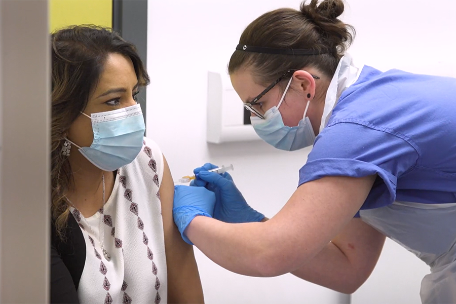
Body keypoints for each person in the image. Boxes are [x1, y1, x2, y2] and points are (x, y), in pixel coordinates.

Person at [172, 0, 456, 303]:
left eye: (258, 105)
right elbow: (347, 269)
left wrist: (190, 219)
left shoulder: (357, 131)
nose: (257, 119)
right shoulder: (371, 100)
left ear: (303, 84)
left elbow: (269, 255)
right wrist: (249, 222)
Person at [50, 25, 210, 304]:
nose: (132, 112)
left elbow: (186, 294)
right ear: (62, 114)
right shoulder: (30, 199)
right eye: (113, 101)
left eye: (133, 95)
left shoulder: (148, 161)